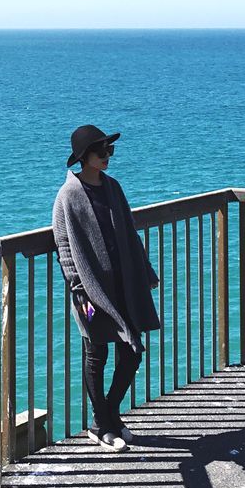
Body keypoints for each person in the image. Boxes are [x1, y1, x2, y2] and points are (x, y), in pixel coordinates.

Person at [52, 125, 160, 451]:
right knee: (96, 352)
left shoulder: (113, 188)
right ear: (84, 157)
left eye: (109, 151)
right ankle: (103, 425)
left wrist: (146, 272)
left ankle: (106, 417)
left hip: (122, 287)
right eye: (102, 151)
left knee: (131, 352)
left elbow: (129, 232)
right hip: (87, 292)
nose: (107, 156)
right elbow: (64, 246)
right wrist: (77, 287)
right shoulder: (68, 195)